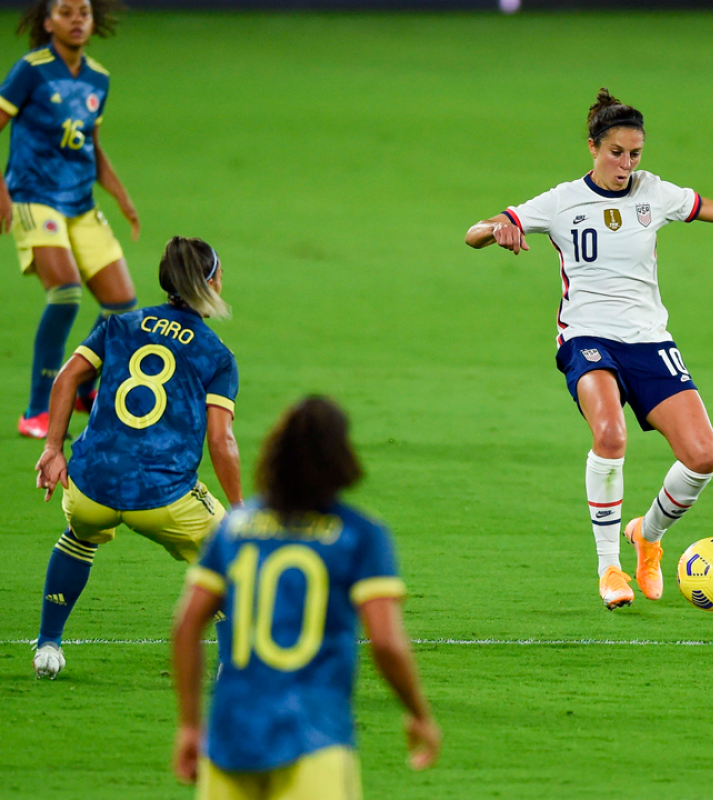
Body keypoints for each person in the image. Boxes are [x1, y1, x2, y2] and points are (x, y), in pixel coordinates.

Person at [465, 88, 713, 609]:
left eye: (635, 154)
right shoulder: (561, 201)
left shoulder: (654, 193)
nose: (626, 165)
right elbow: (474, 233)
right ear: (593, 147)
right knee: (610, 434)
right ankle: (608, 569)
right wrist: (497, 228)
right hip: (587, 337)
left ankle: (648, 535)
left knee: (703, 457)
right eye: (617, 153)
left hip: (649, 339)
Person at [172, 396, 441, 799]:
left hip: (230, 741)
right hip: (314, 738)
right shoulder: (360, 534)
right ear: (340, 458)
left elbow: (186, 625)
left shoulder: (234, 529)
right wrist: (419, 714)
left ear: (274, 455)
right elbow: (386, 642)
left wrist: (190, 726)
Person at [32, 236, 241, 679]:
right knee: (228, 553)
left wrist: (52, 449)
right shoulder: (217, 355)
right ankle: (232, 667)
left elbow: (67, 379)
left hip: (90, 487)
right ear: (209, 283)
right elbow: (221, 441)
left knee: (78, 536)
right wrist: (240, 508)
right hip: (163, 497)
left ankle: (47, 645)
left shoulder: (120, 325)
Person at [1, 0, 140, 438]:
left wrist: (120, 195)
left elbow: (90, 146)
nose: (77, 19)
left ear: (93, 22)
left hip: (80, 202)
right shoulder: (31, 70)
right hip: (33, 197)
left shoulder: (99, 77)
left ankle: (82, 389)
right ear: (48, 22)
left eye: (84, 12)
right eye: (66, 12)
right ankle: (36, 410)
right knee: (65, 295)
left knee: (122, 305)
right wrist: (2, 192)